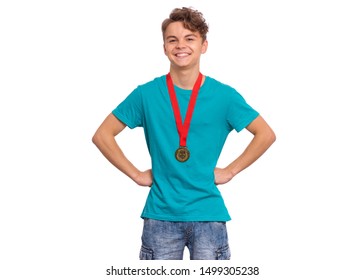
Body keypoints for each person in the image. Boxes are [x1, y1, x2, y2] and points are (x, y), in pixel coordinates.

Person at [92, 7, 276, 260]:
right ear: (164, 47)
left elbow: (265, 134)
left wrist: (231, 170)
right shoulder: (146, 94)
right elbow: (102, 135)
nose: (181, 45)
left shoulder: (225, 96)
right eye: (172, 39)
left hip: (209, 216)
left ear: (204, 45)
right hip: (160, 216)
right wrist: (135, 174)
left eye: (190, 38)